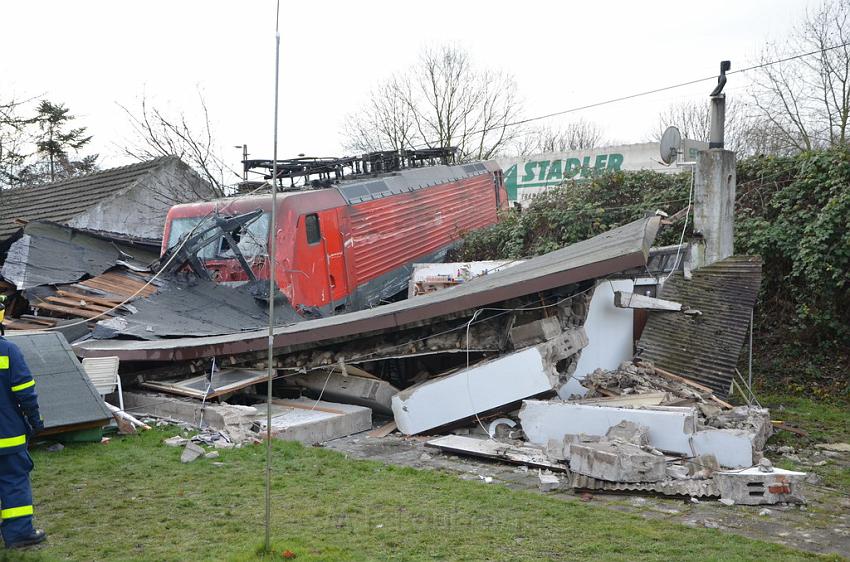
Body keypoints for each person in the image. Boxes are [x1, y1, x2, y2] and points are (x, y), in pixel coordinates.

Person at [0, 301, 46, 549]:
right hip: (7, 436)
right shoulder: (8, 351)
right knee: (13, 481)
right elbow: (25, 392)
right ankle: (18, 534)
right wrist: (35, 420)